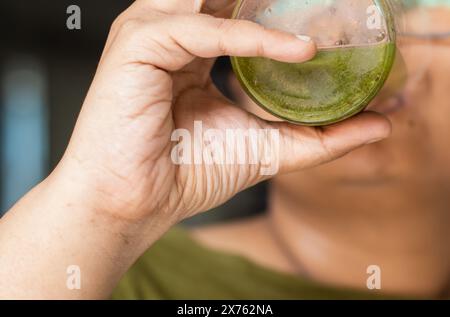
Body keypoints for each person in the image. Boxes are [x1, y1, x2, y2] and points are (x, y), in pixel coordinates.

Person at [0, 0, 449, 299]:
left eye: (431, 26)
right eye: (304, 30)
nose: (332, 37)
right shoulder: (110, 274)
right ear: (236, 90)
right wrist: (105, 207)